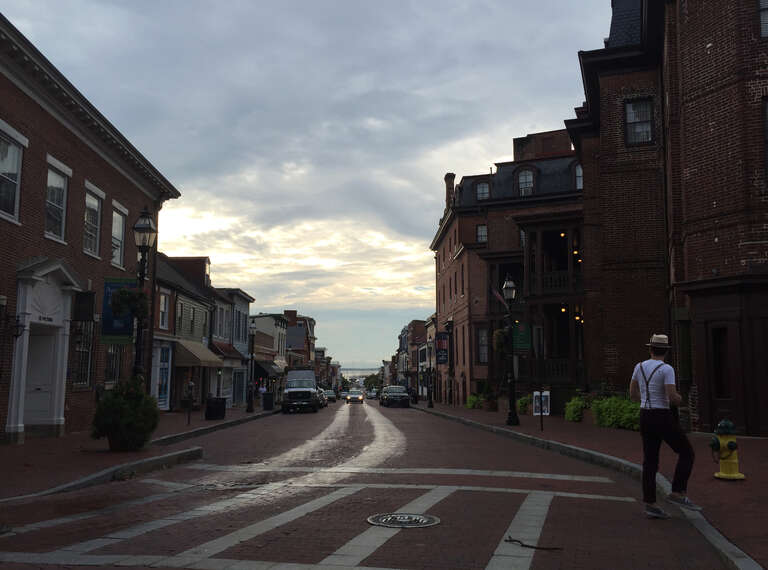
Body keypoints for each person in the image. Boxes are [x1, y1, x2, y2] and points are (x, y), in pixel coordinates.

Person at [630, 333, 701, 519]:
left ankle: (650, 503)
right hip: (662, 415)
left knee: (650, 460)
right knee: (686, 452)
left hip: (645, 414)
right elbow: (672, 396)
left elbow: (632, 393)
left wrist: (645, 400)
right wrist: (680, 399)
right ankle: (677, 492)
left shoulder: (639, 367)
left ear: (650, 349)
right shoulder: (667, 369)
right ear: (666, 351)